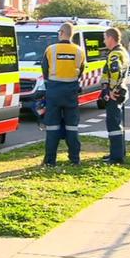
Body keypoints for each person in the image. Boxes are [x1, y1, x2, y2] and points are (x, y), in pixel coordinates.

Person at [41, 22, 85, 166]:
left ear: (61, 33)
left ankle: (50, 160)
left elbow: (45, 70)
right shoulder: (79, 51)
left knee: (52, 126)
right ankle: (74, 159)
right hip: (71, 92)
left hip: (54, 91)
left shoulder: (51, 49)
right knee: (72, 126)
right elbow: (81, 71)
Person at [101, 27, 130, 164]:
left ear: (111, 38)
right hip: (122, 91)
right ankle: (118, 152)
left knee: (114, 125)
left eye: (105, 38)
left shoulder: (114, 55)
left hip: (116, 93)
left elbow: (116, 71)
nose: (104, 41)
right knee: (119, 124)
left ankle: (116, 157)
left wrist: (112, 90)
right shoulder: (122, 51)